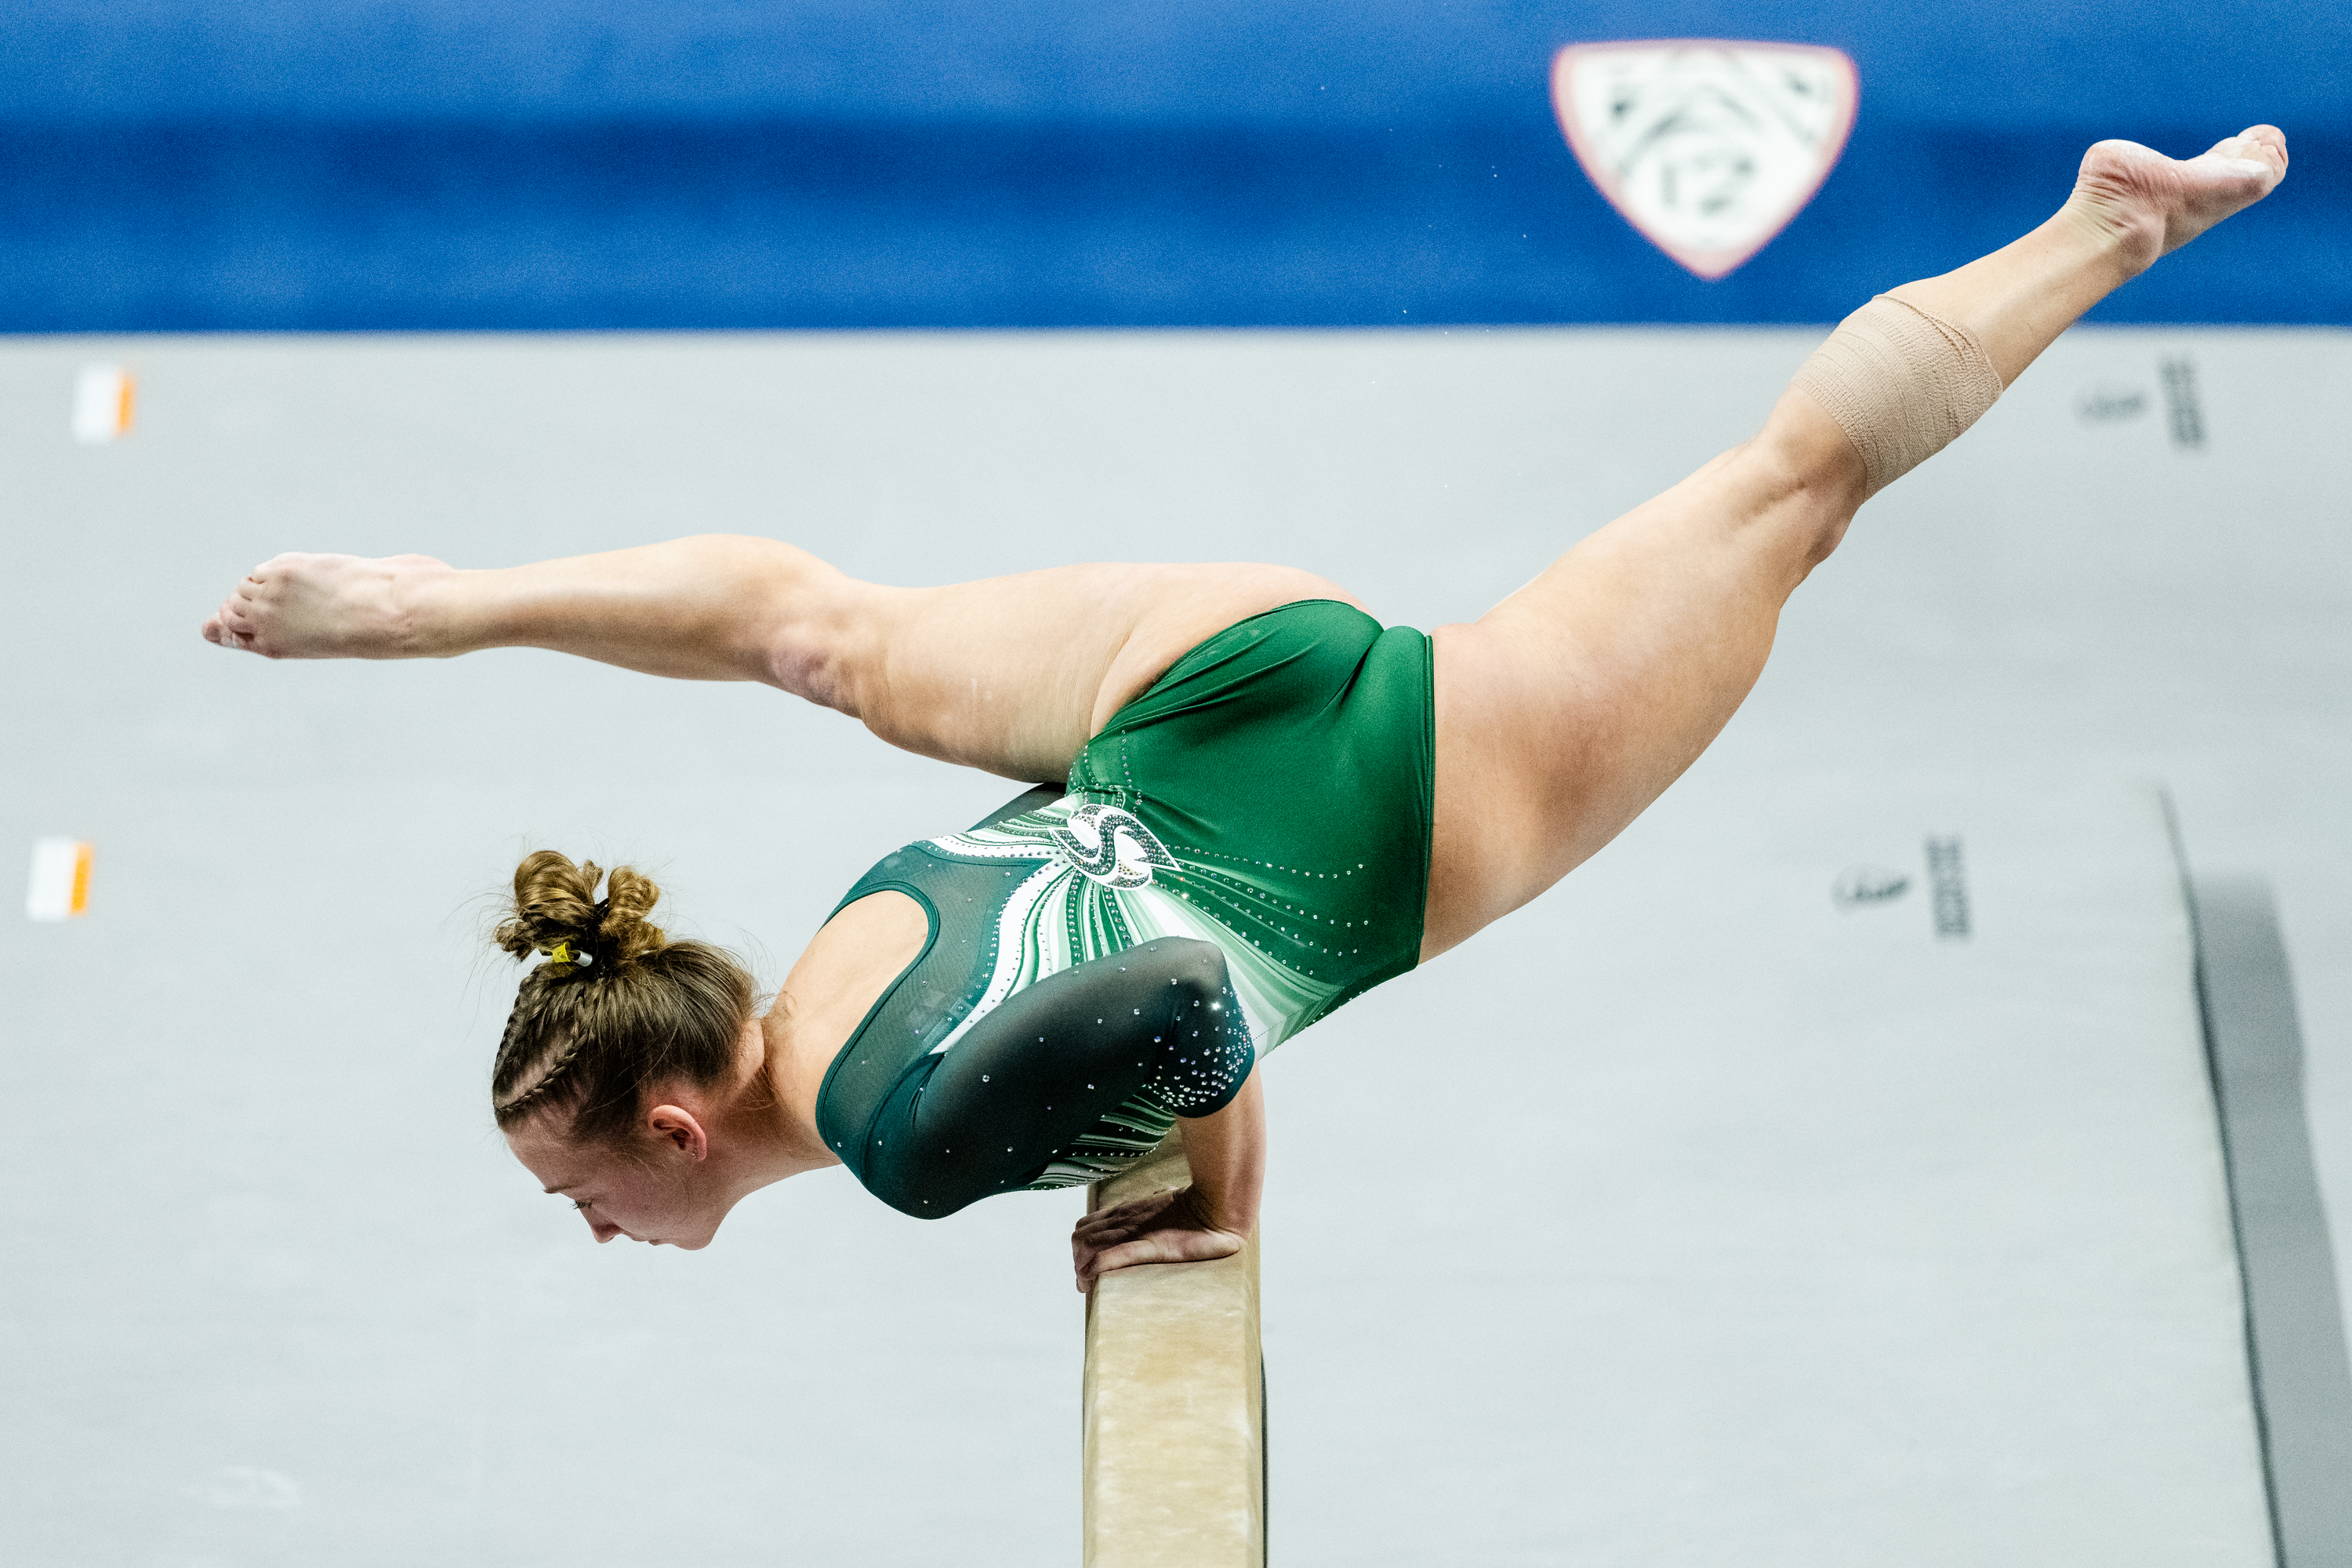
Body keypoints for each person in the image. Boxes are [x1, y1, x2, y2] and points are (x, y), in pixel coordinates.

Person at [201, 129, 2288, 1292]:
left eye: (576, 1194)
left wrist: (1218, 1224)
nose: (588, 1233)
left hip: (1376, 815)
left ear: (674, 1126)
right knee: (819, 634)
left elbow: (1188, 1002)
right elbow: (1097, 956)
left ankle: (2110, 232)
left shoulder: (902, 1138)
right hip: (1185, 692)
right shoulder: (813, 986)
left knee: (1792, 500)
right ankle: (436, 605)